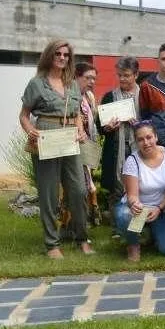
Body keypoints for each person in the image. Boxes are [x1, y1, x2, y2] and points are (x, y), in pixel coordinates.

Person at [19, 39, 92, 258]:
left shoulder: (71, 83)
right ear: (49, 56)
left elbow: (78, 113)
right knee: (49, 192)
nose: (62, 58)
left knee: (79, 190)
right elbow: (24, 115)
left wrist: (80, 129)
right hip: (46, 137)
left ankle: (81, 238)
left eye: (66, 55)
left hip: (70, 138)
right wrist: (30, 129)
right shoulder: (37, 83)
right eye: (58, 54)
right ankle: (52, 243)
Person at [112, 121, 165, 261]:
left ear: (156, 137)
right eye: (140, 139)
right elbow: (132, 196)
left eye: (149, 137)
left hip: (163, 208)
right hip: (140, 209)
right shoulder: (132, 161)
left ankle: (153, 233)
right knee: (124, 215)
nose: (146, 142)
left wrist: (159, 208)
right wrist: (135, 205)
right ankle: (133, 244)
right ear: (136, 142)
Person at [99, 56, 141, 224]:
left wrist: (139, 125)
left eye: (127, 75)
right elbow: (100, 126)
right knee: (116, 188)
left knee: (139, 185)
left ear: (136, 75)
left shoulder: (145, 94)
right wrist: (108, 127)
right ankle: (117, 226)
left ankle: (139, 223)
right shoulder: (110, 96)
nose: (122, 79)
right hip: (116, 150)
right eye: (120, 75)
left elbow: (153, 122)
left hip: (138, 148)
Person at [74, 62, 100, 225]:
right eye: (88, 77)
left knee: (88, 185)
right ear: (76, 76)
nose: (91, 81)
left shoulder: (89, 97)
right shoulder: (69, 95)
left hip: (87, 146)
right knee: (78, 186)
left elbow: (94, 122)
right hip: (72, 148)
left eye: (94, 78)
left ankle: (85, 222)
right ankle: (70, 223)